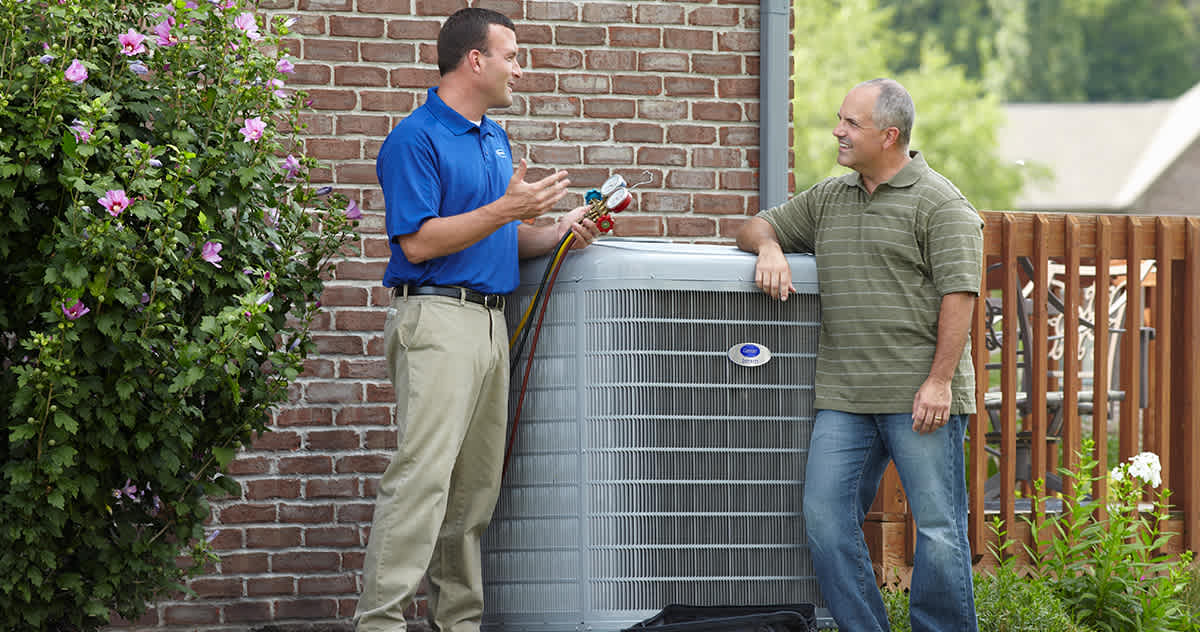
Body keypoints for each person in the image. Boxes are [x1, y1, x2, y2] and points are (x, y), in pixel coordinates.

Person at [355, 8, 599, 632]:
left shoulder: (493, 137)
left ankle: (457, 624)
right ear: (475, 60)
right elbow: (418, 243)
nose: (521, 68)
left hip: (492, 323)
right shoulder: (414, 138)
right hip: (438, 321)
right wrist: (504, 209)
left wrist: (561, 229)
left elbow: (502, 236)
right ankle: (379, 623)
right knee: (422, 484)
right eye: (512, 55)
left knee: (473, 494)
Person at [736, 78, 982, 631]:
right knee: (824, 519)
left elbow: (960, 295)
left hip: (920, 397)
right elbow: (751, 226)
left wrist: (940, 381)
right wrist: (771, 245)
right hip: (845, 397)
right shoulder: (831, 198)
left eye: (851, 123)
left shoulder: (942, 205)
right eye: (840, 119)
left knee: (940, 529)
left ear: (889, 136)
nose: (837, 131)